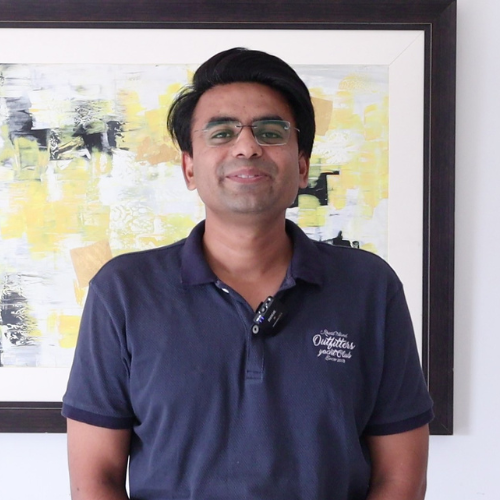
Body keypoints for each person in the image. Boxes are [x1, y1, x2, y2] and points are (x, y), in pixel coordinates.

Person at [62, 47, 433, 500]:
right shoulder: (123, 291)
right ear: (189, 167)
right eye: (221, 133)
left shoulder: (369, 287)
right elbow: (94, 480)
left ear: (302, 166)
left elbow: (400, 478)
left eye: (270, 132)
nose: (247, 147)